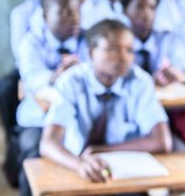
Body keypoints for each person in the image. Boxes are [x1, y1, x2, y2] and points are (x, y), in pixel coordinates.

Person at [39, 19, 172, 183]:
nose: (123, 57)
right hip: (76, 164)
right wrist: (79, 164)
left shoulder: (140, 81)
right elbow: (48, 143)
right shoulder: (71, 81)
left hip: (125, 170)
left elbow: (162, 142)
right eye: (112, 49)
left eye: (129, 50)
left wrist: (103, 151)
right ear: (90, 53)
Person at [14, 0, 88, 195]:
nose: (73, 18)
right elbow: (32, 81)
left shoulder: (89, 40)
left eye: (76, 11)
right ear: (46, 16)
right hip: (38, 118)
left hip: (77, 120)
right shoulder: (31, 42)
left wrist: (82, 71)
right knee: (33, 160)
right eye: (64, 13)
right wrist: (59, 75)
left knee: (89, 156)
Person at [121, 0, 185, 85]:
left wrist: (177, 75)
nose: (146, 14)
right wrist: (151, 81)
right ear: (125, 10)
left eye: (152, 8)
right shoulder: (118, 44)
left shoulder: (168, 39)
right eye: (139, 7)